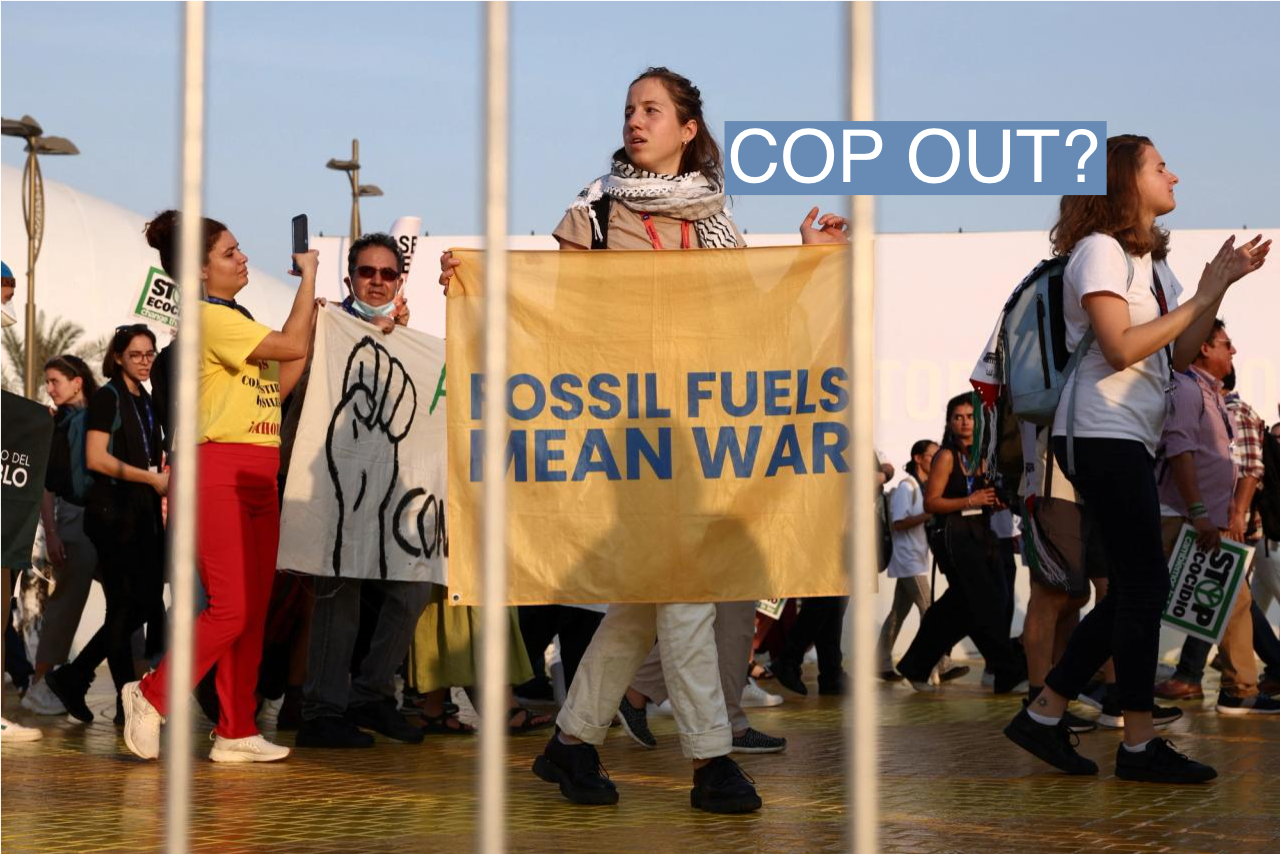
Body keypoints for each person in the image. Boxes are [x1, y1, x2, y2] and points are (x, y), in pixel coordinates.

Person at [439, 66, 847, 813]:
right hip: (625, 430)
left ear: (688, 129)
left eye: (652, 110)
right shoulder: (595, 209)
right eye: (630, 108)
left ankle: (570, 745)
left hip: (696, 429)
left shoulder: (718, 222)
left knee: (644, 600)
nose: (635, 120)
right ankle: (711, 761)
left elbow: (752, 321)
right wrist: (474, 284)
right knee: (684, 591)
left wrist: (806, 257)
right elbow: (557, 314)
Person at [1003, 134, 1269, 784]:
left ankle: (1044, 714)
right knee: (1144, 587)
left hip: (1131, 436)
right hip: (1098, 431)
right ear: (1126, 182)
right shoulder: (1099, 252)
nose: (1174, 175)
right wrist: (1199, 299)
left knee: (1133, 589)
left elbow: (1178, 357)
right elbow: (1121, 349)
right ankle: (1137, 743)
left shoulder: (1154, 266)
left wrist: (1217, 289)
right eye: (1159, 166)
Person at [120, 210, 317, 763]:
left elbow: (277, 385)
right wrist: (308, 278)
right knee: (229, 609)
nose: (243, 258)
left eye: (238, 249)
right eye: (230, 253)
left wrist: (310, 319)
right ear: (200, 272)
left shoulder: (238, 318)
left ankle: (236, 730)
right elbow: (293, 345)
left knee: (252, 612)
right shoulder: (208, 318)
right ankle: (151, 693)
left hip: (258, 468)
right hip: (216, 470)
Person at [290, 233, 434, 748]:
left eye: (386, 273)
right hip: (330, 481)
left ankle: (372, 694)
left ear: (399, 280)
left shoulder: (409, 339)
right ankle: (323, 708)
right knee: (339, 591)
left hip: (392, 485)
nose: (376, 280)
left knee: (415, 585)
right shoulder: (324, 322)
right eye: (366, 272)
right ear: (349, 277)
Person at [43, 327, 168, 725]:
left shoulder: (144, 399)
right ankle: (119, 702)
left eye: (150, 354)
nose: (145, 361)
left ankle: (78, 677)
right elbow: (95, 458)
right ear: (117, 358)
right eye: (136, 355)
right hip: (113, 516)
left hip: (138, 515)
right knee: (132, 607)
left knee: (132, 608)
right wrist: (151, 479)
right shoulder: (108, 398)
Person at [1151, 336, 1280, 714]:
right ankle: (1109, 685)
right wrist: (1200, 511)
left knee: (1232, 602)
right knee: (1147, 599)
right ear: (1203, 347)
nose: (1234, 350)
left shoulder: (1212, 398)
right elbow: (1180, 452)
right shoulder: (1190, 391)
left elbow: (1240, 466)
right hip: (1189, 518)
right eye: (1226, 343)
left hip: (1209, 521)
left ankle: (1238, 690)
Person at [895, 394, 1028, 694]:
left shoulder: (982, 454)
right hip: (956, 538)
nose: (965, 422)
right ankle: (1006, 672)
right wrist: (970, 500)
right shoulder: (945, 456)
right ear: (950, 422)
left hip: (982, 535)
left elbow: (982, 498)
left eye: (970, 417)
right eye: (959, 417)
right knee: (985, 605)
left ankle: (915, 665)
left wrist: (991, 503)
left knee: (957, 609)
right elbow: (932, 502)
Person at [21, 356, 102, 716]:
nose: (50, 389)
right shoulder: (55, 427)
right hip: (73, 517)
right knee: (68, 601)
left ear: (77, 381)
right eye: (48, 381)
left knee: (128, 605)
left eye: (55, 381)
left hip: (108, 518)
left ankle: (133, 689)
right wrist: (52, 532)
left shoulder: (100, 415)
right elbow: (47, 485)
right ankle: (39, 685)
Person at [876, 440, 966, 684]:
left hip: (916, 558)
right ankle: (941, 663)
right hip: (908, 560)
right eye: (932, 456)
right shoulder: (907, 487)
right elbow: (898, 523)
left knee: (899, 612)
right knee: (930, 610)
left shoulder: (924, 487)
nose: (936, 460)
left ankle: (880, 662)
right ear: (918, 458)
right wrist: (930, 512)